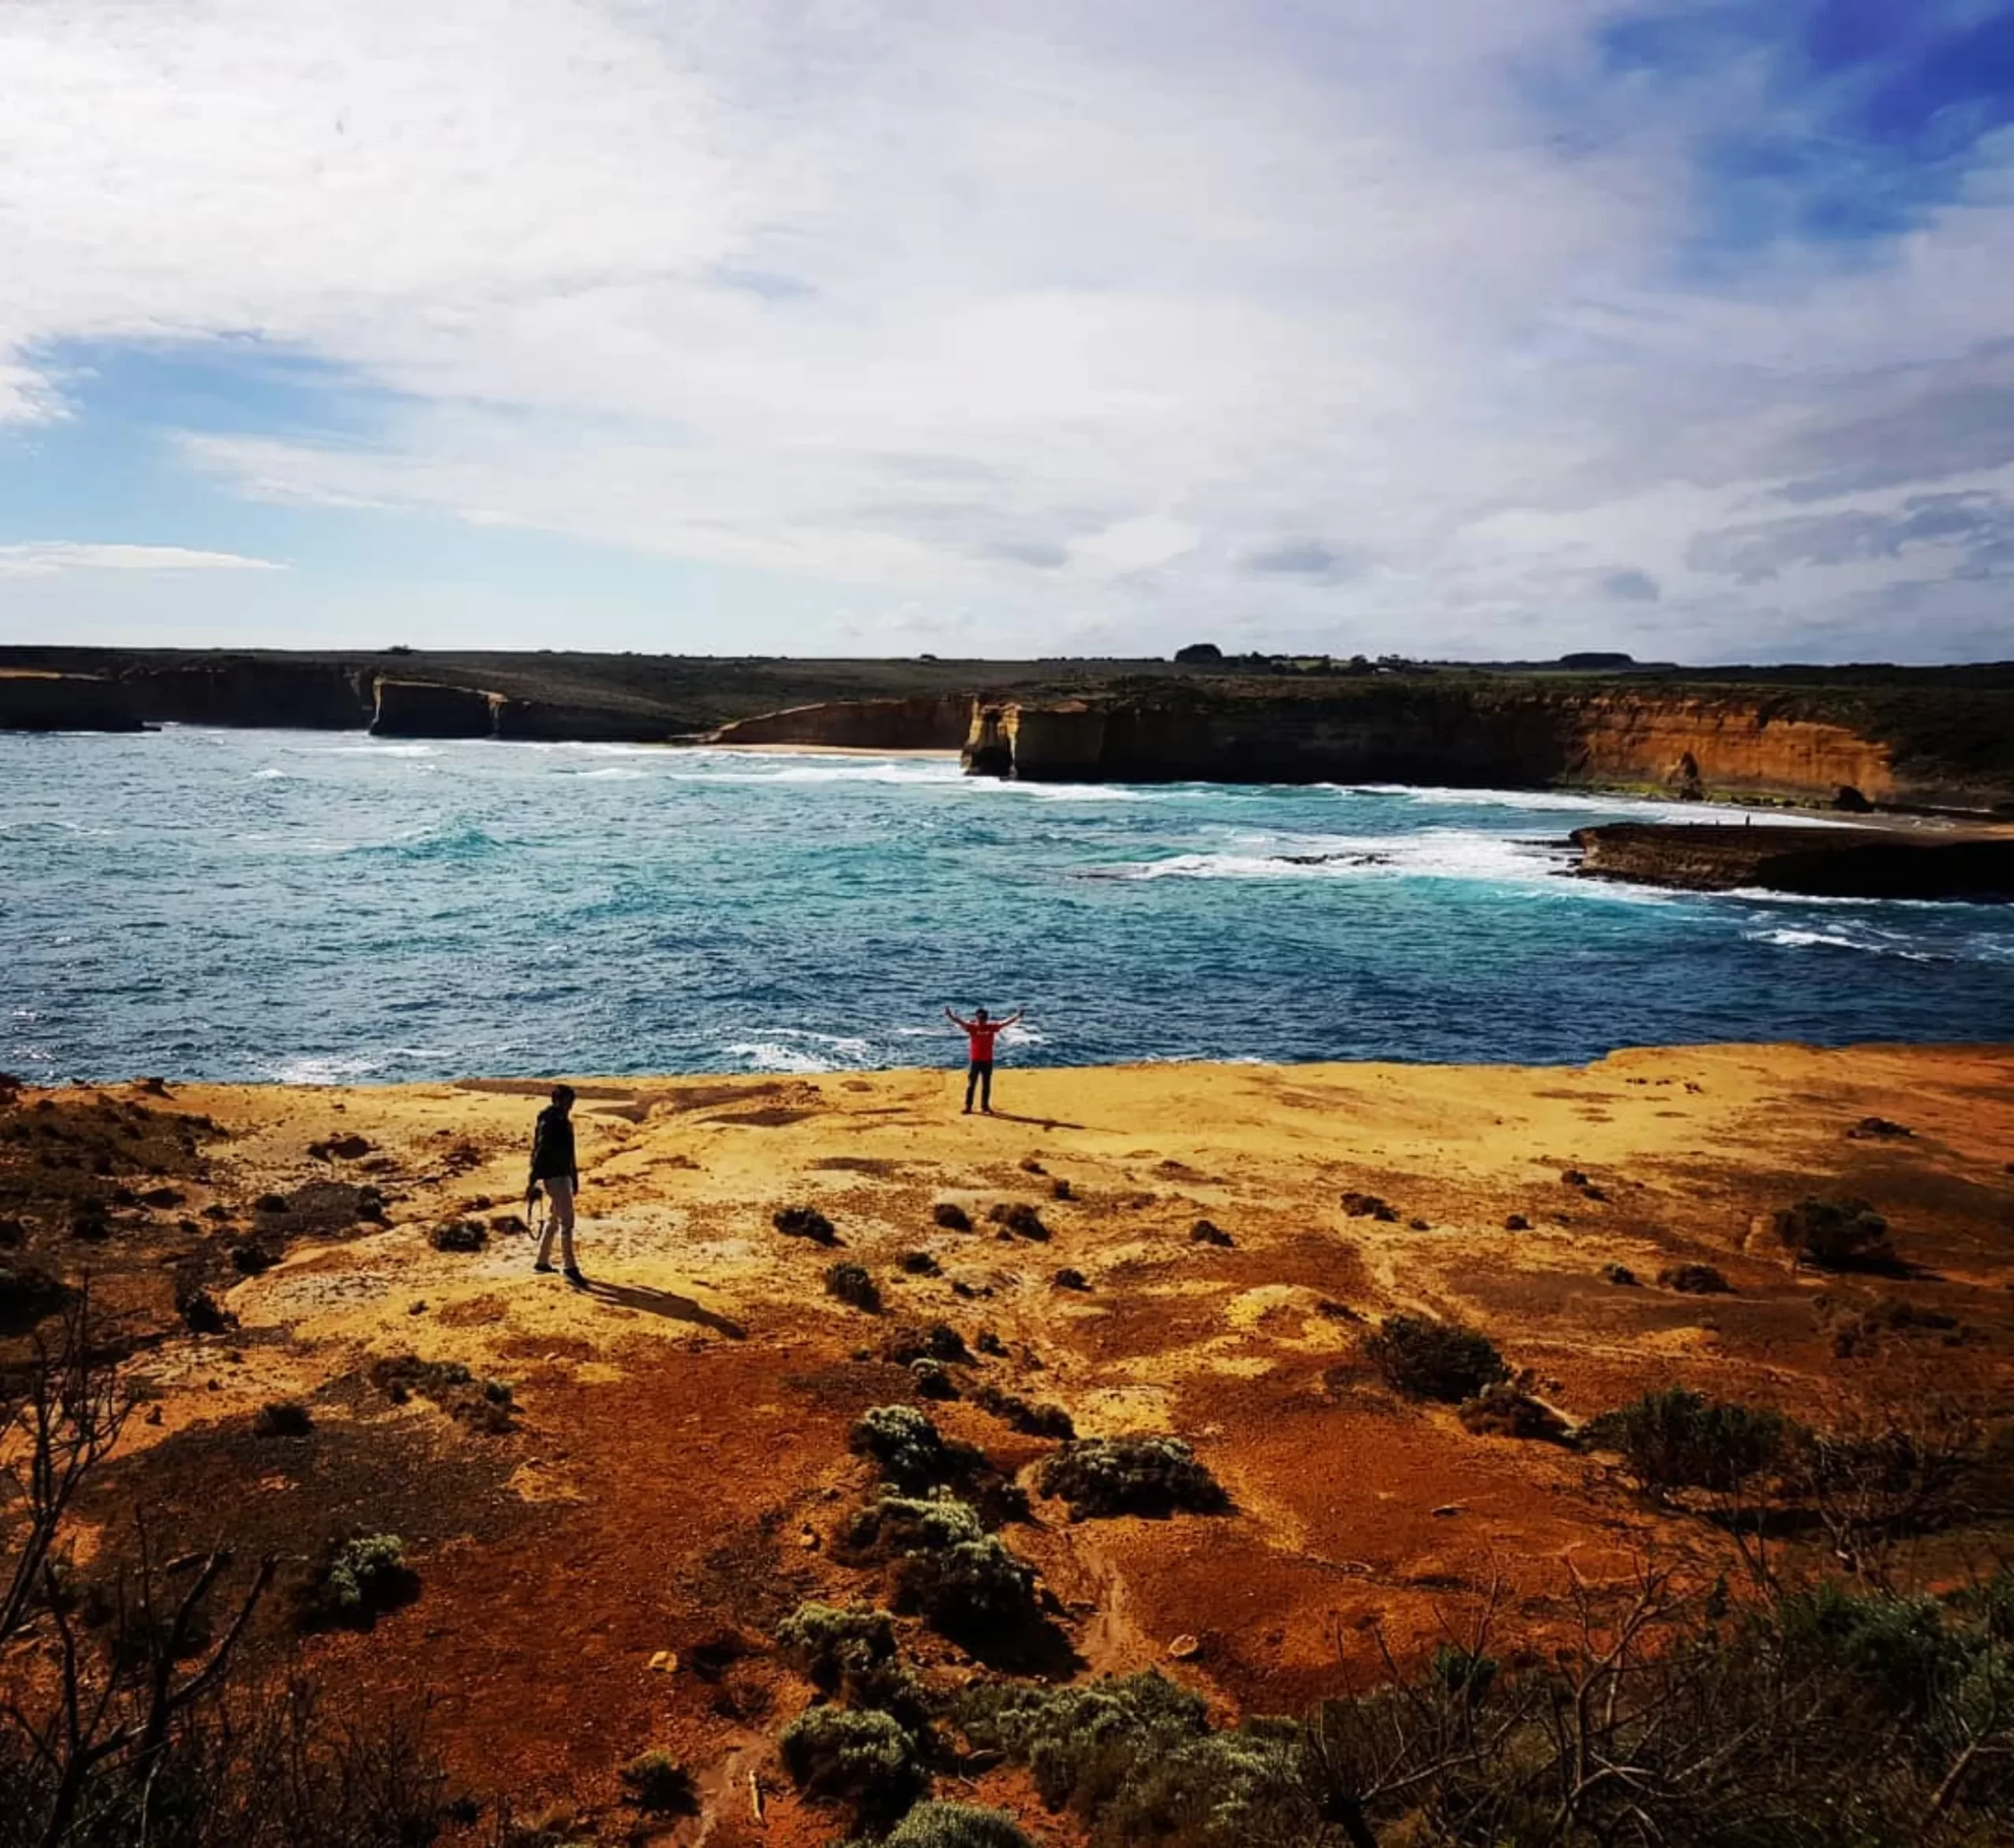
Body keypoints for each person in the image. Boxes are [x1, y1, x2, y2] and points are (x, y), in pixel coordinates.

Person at [527, 1084, 584, 1285]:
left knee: (554, 1219)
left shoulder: (560, 1121)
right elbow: (540, 1150)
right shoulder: (551, 1122)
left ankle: (542, 1262)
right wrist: (533, 1179)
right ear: (557, 1100)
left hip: (562, 1175)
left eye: (572, 1101)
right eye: (567, 1100)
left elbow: (570, 1154)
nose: (570, 1105)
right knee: (567, 1222)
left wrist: (574, 1177)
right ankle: (570, 1267)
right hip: (555, 1176)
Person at [944, 1005, 1024, 1114]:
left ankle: (985, 1107)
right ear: (976, 1018)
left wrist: (1017, 1016)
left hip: (987, 1061)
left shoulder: (991, 1027)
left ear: (986, 1019)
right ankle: (968, 1106)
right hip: (975, 1061)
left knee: (986, 1085)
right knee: (972, 1085)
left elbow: (1005, 1023)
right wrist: (950, 1015)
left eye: (983, 1019)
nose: (981, 1021)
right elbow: (959, 1022)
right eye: (979, 1019)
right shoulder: (972, 1027)